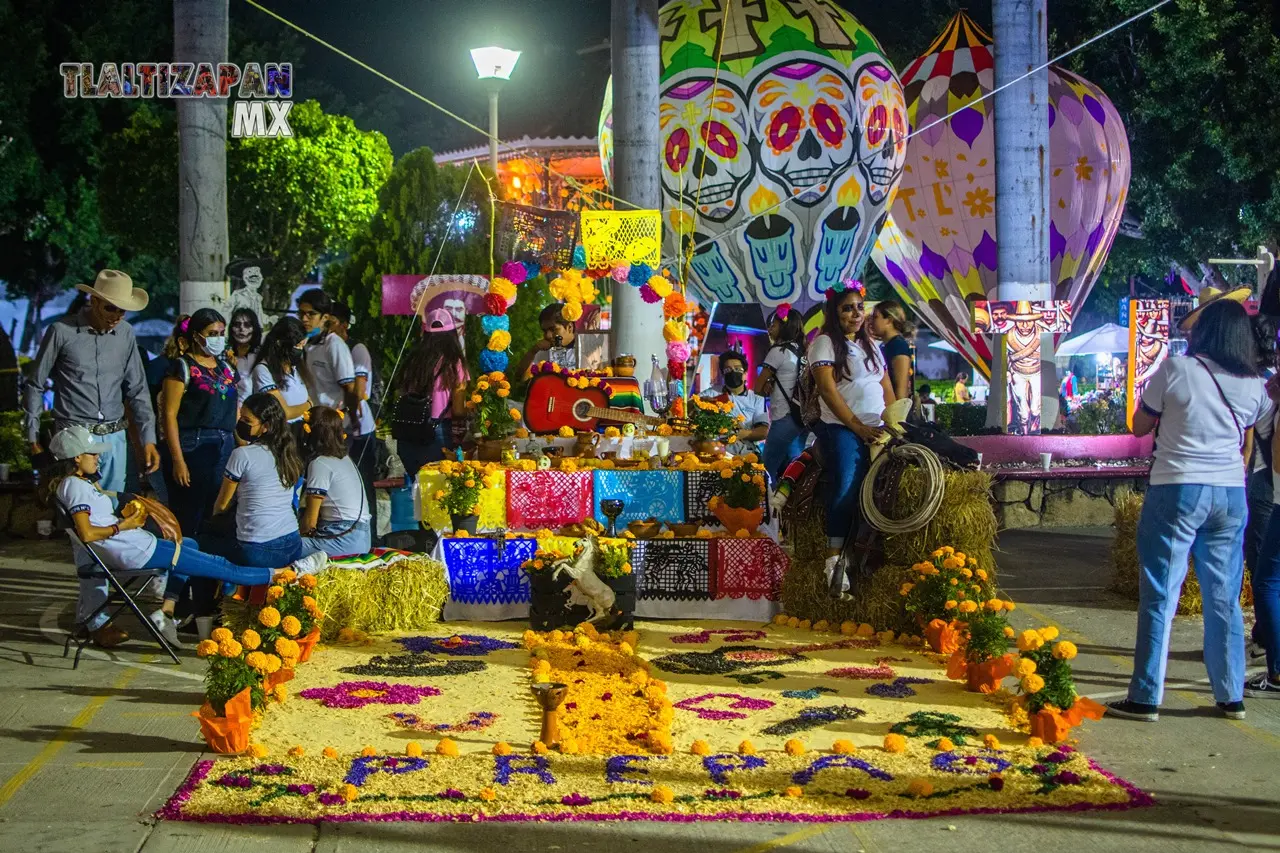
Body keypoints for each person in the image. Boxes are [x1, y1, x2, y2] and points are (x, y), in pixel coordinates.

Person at [1108, 293, 1269, 723]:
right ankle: (1231, 695)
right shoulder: (1255, 383)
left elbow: (1139, 424)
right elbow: (1254, 432)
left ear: (1204, 332)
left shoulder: (1178, 368)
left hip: (1177, 488)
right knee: (1224, 598)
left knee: (1161, 594)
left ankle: (1145, 698)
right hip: (1232, 495)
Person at [47, 424, 316, 649]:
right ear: (75, 458)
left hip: (139, 546)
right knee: (223, 567)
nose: (98, 458)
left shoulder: (78, 485)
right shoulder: (74, 487)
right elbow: (87, 532)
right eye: (92, 454)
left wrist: (123, 509)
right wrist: (124, 525)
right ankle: (286, 572)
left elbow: (96, 514)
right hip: (136, 551)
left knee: (196, 548)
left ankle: (166, 611)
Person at [26, 270, 160, 493]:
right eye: (110, 307)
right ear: (94, 301)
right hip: (73, 436)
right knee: (75, 508)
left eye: (122, 310)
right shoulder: (61, 331)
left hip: (115, 436)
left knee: (111, 507)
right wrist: (33, 439)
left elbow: (138, 389)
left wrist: (149, 440)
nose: (116, 315)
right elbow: (35, 384)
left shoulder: (126, 333)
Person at [809, 281, 892, 598]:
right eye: (847, 308)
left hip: (879, 427)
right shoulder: (824, 344)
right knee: (846, 483)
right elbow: (828, 393)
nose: (856, 313)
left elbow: (886, 388)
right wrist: (857, 427)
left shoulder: (872, 345)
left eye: (860, 307)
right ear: (834, 312)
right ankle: (833, 559)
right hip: (843, 428)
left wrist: (894, 420)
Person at [307, 295, 380, 542]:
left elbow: (356, 391)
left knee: (362, 487)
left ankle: (368, 539)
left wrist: (352, 418)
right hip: (331, 425)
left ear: (343, 323)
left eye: (333, 321)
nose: (329, 326)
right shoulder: (317, 346)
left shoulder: (355, 349)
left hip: (356, 428)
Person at [210, 393, 312, 569]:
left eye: (246, 420)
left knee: (201, 544)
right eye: (240, 417)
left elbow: (221, 506)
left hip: (257, 549)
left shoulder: (242, 455)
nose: (240, 423)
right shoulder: (288, 453)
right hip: (292, 544)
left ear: (265, 427)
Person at [160, 309, 238, 537]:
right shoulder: (181, 367)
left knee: (216, 513)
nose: (218, 338)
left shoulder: (227, 368)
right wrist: (178, 460)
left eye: (221, 333)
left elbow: (234, 410)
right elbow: (169, 415)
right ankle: (184, 568)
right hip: (193, 445)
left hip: (225, 445)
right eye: (212, 333)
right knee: (189, 514)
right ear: (196, 335)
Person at [393, 309, 469, 480]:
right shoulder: (454, 362)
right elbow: (458, 409)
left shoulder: (413, 359)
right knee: (438, 490)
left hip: (408, 430)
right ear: (452, 334)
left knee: (418, 490)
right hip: (437, 432)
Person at [299, 406, 372, 558]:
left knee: (281, 548)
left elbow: (309, 523)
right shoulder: (346, 459)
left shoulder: (320, 463)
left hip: (343, 540)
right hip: (363, 537)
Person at [755, 304, 810, 484]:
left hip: (784, 418)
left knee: (766, 467)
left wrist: (767, 382)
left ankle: (765, 507)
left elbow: (757, 387)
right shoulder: (802, 351)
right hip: (802, 417)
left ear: (784, 327)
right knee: (793, 466)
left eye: (774, 325)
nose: (770, 328)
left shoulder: (778, 351)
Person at [703, 350, 769, 457]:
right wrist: (702, 403)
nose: (733, 372)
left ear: (745, 374)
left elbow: (763, 432)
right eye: (728, 369)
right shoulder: (712, 393)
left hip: (745, 451)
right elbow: (689, 407)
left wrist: (740, 434)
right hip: (716, 450)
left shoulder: (757, 398)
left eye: (738, 369)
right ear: (723, 374)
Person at [251, 316, 314, 426]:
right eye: (297, 345)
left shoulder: (296, 368)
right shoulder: (263, 370)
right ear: (280, 343)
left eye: (302, 346)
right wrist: (308, 405)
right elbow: (283, 412)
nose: (300, 350)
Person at [869, 300, 915, 401]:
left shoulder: (898, 345)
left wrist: (897, 414)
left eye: (875, 317)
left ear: (889, 320)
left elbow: (901, 391)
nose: (871, 322)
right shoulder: (884, 346)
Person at [516, 303, 578, 377]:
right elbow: (519, 377)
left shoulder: (584, 349)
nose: (548, 335)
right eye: (544, 331)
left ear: (569, 327)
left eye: (553, 329)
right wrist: (533, 351)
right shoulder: (544, 352)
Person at [229, 307, 263, 404]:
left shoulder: (262, 355)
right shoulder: (224, 355)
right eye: (237, 324)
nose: (241, 329)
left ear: (254, 328)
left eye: (247, 325)